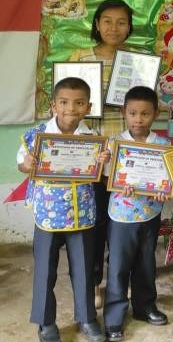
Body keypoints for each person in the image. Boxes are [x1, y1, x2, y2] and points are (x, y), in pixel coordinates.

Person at [17, 77, 109, 342]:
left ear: (88, 106)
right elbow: (22, 164)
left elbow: (102, 176)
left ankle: (87, 319)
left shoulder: (92, 138)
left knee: (84, 269)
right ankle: (45, 322)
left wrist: (104, 162)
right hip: (47, 215)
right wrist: (28, 163)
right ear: (53, 105)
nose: (71, 108)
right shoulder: (36, 136)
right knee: (45, 270)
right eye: (65, 102)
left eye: (79, 103)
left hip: (82, 214)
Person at [69, 0, 134, 309]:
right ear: (96, 24)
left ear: (129, 27)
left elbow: (144, 107)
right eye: (107, 21)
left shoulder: (138, 62)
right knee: (93, 226)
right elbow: (68, 109)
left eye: (121, 22)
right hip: (91, 158)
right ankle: (94, 283)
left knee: (123, 226)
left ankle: (120, 281)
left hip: (125, 159)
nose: (114, 28)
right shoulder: (79, 59)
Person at [103, 86, 172, 341]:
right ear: (124, 113)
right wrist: (121, 181)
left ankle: (144, 307)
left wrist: (166, 191)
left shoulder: (163, 145)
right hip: (121, 217)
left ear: (155, 114)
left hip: (150, 215)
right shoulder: (115, 144)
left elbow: (169, 181)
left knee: (146, 264)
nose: (138, 119)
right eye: (133, 113)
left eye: (145, 114)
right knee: (119, 267)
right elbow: (109, 177)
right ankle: (114, 318)